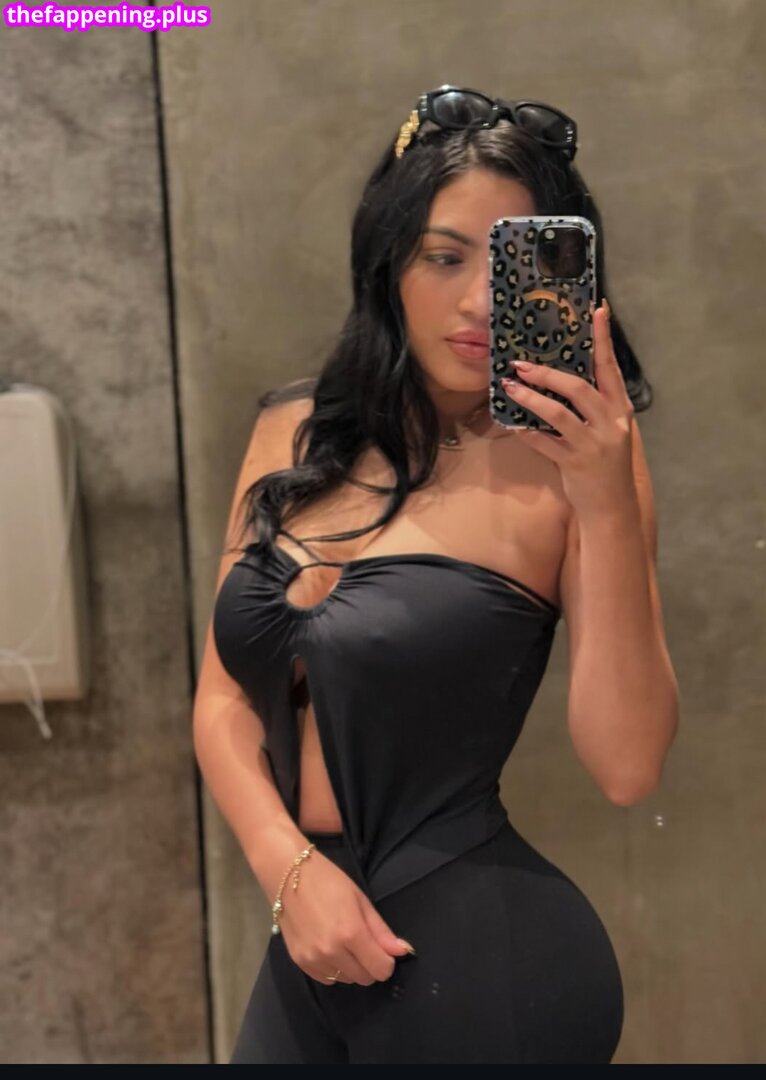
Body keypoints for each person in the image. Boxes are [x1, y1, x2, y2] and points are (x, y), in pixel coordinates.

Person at [193, 85, 679, 1064]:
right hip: (311, 938)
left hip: (487, 963)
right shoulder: (294, 432)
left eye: (510, 263)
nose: (478, 302)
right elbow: (222, 698)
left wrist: (603, 501)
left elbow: (628, 767)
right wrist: (288, 871)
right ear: (390, 262)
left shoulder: (577, 469)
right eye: (444, 256)